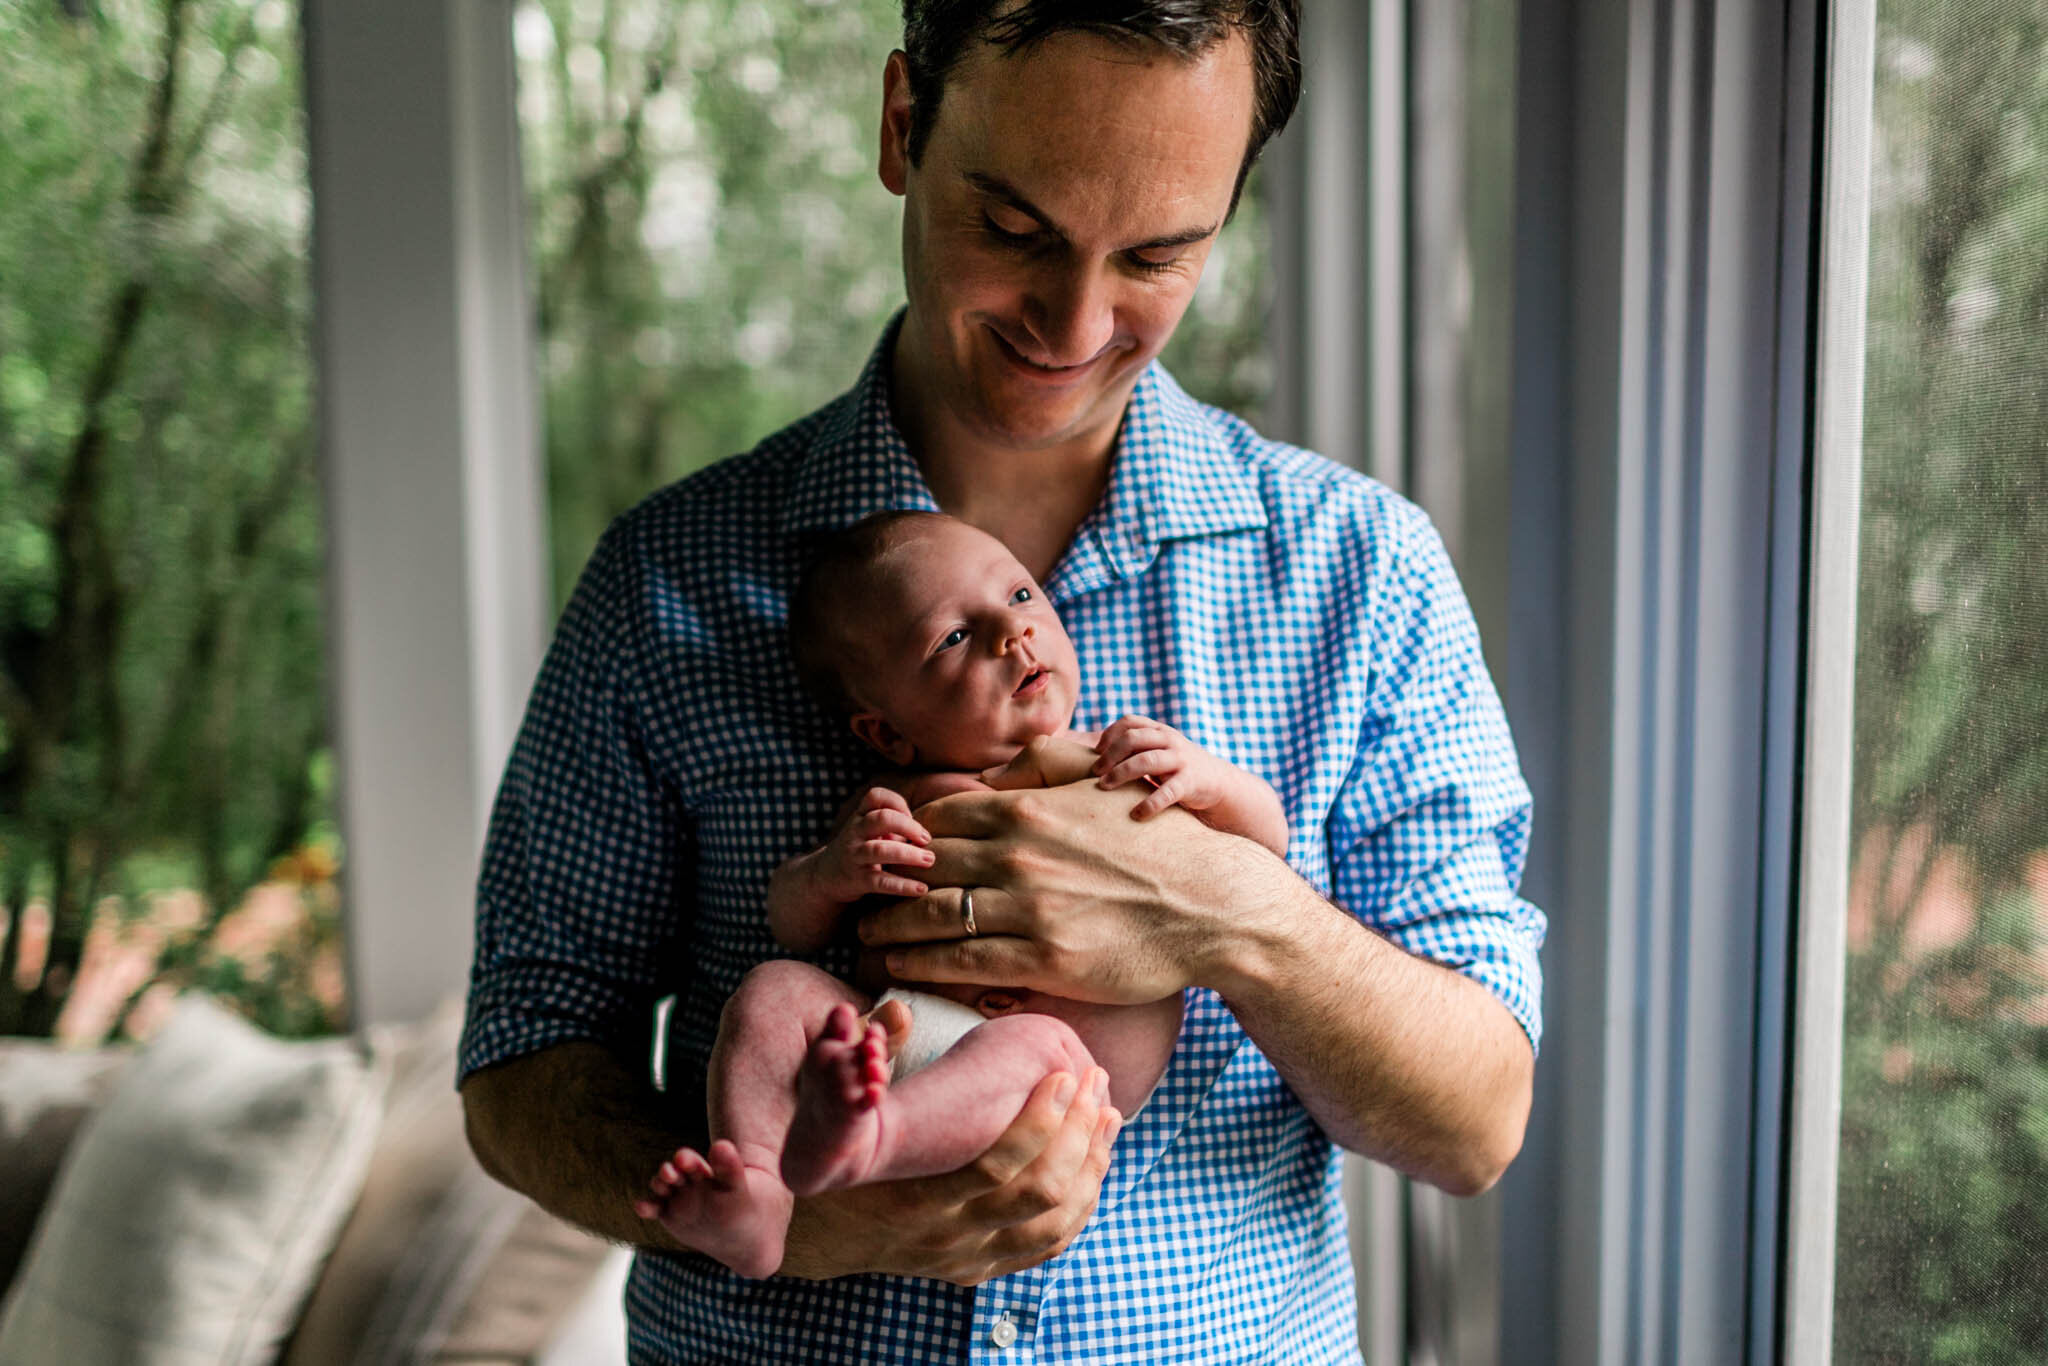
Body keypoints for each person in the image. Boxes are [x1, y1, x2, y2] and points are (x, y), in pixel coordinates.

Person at [460, 3, 1546, 1361]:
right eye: (1019, 229)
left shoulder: (1361, 574)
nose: (1074, 320)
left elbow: (1476, 1118)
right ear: (903, 124)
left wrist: (1219, 908)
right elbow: (522, 1061)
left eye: (1157, 251)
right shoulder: (672, 581)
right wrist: (818, 1219)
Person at [633, 510, 1290, 1280]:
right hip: (891, 1039)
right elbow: (795, 924)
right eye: (952, 638)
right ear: (885, 733)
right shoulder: (891, 801)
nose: (1011, 634)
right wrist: (834, 872)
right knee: (772, 991)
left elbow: (1262, 851)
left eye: (1018, 594)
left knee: (1035, 1047)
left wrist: (1213, 780)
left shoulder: (1112, 763)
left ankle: (870, 1140)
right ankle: (756, 1193)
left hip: (1051, 1075)